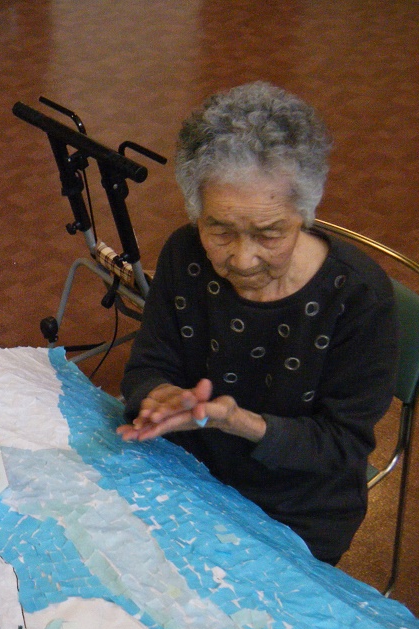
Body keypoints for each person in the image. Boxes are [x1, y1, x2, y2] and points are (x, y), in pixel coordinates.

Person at [118, 82, 398, 564]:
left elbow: (342, 444)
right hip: (188, 467)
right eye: (219, 229)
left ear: (304, 215)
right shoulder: (185, 255)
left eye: (269, 233)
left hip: (295, 508)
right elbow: (149, 363)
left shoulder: (358, 298)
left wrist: (240, 423)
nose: (242, 259)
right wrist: (159, 398)